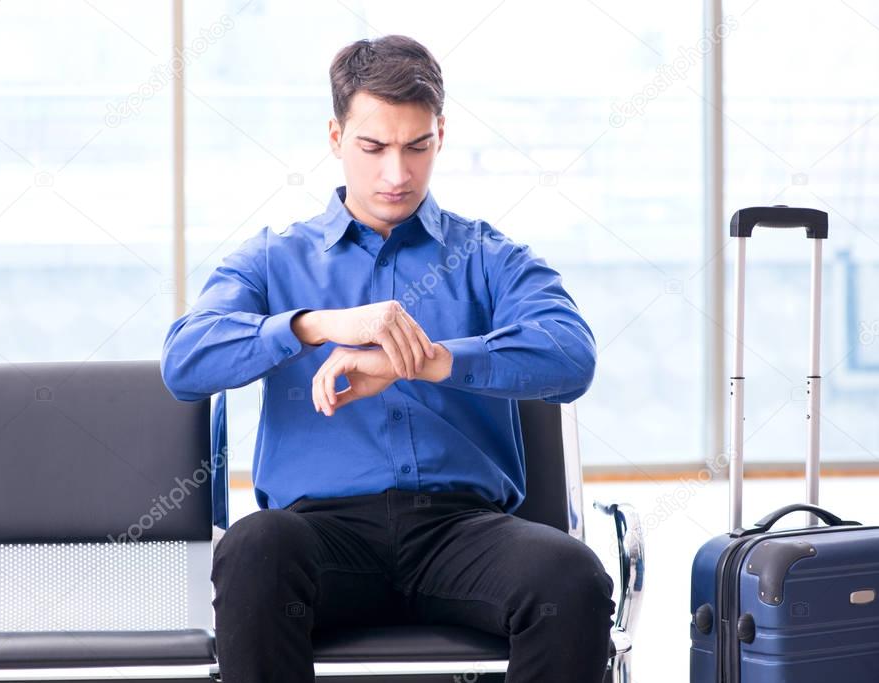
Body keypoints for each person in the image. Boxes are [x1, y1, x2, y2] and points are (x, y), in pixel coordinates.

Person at [161, 34, 615, 683]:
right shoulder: (272, 260)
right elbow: (184, 362)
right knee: (257, 543)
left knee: (568, 575)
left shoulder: (488, 256)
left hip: (463, 534)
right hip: (321, 539)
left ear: (440, 134)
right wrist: (310, 325)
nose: (396, 174)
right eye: (373, 148)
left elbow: (570, 355)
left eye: (417, 146)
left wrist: (422, 360)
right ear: (335, 136)